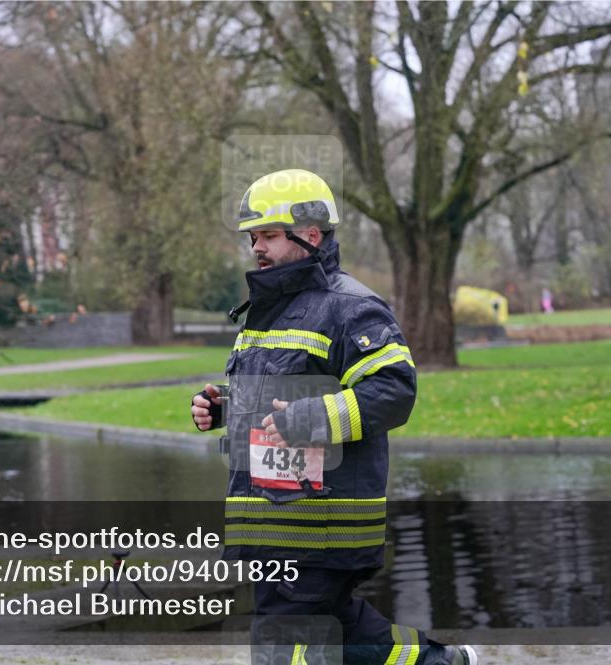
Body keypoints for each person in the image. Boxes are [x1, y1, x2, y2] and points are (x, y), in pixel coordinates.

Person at [191, 169, 478, 665]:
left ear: (311, 234)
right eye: (253, 238)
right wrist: (226, 409)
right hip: (272, 518)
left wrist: (312, 420)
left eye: (269, 235)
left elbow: (394, 390)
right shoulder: (265, 312)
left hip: (321, 522)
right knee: (341, 630)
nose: (257, 248)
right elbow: (280, 401)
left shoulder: (351, 307)